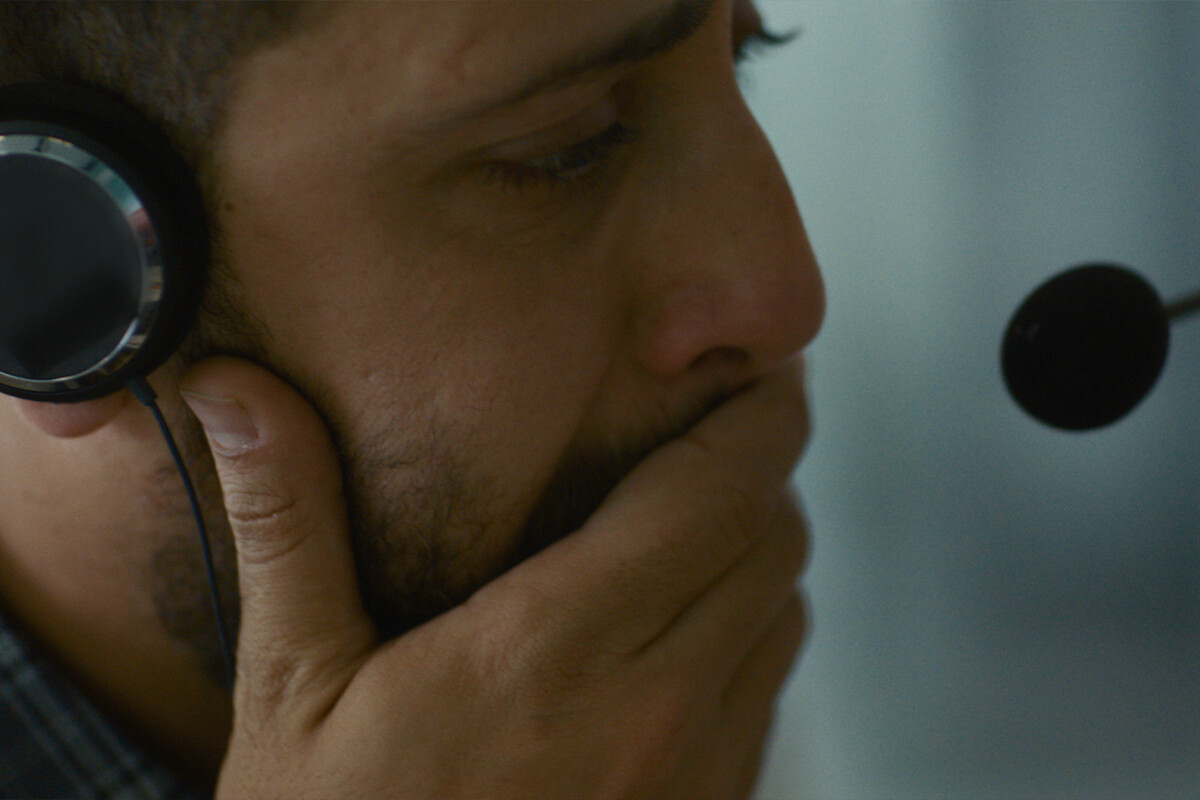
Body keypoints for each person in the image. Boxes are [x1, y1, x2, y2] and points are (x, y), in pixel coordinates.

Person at [0, 1, 825, 797]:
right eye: (565, 148)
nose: (790, 302)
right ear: (43, 286)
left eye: (741, 55)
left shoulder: (647, 740)